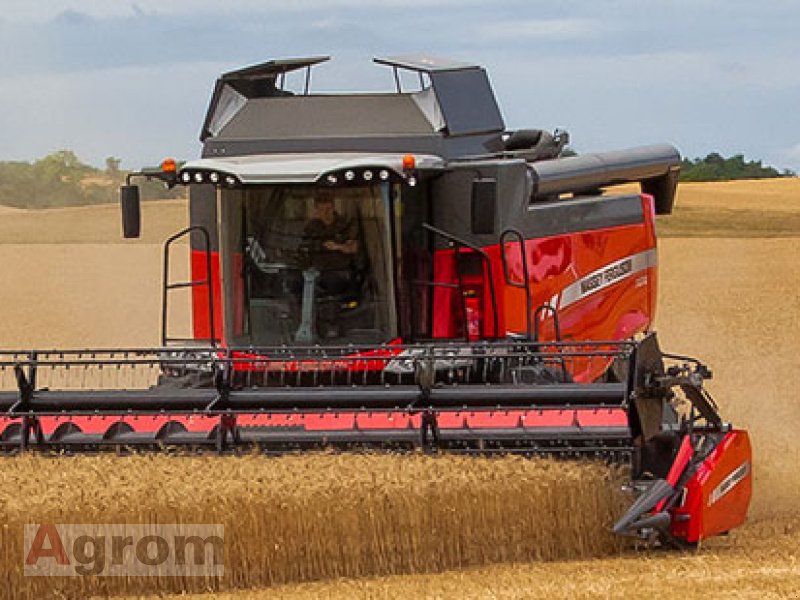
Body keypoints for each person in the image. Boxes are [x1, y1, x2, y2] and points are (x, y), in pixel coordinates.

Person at [302, 190, 360, 297]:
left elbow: (354, 248)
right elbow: (303, 247)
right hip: (315, 271)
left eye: (328, 209)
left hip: (340, 271)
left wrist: (337, 246)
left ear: (333, 208)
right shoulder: (311, 227)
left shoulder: (345, 225)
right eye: (321, 210)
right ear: (316, 210)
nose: (325, 213)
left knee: (332, 282)